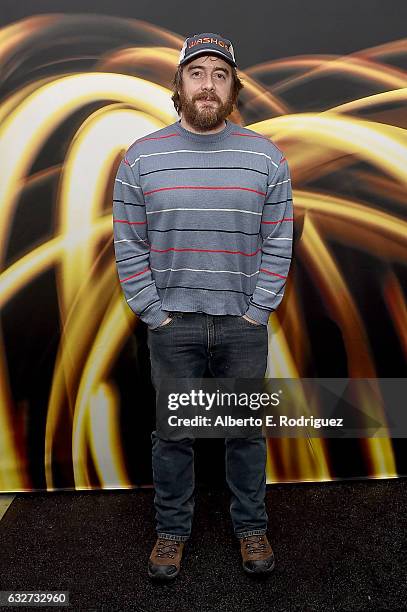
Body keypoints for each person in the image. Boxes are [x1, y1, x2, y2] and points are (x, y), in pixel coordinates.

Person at [113, 32, 293, 580]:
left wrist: (257, 310)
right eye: (197, 73)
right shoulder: (142, 157)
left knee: (244, 432)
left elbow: (278, 239)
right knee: (173, 436)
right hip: (172, 325)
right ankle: (171, 533)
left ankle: (251, 528)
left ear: (233, 87)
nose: (208, 85)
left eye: (219, 74)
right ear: (178, 85)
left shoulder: (264, 156)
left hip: (242, 322)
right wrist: (154, 314)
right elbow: (128, 242)